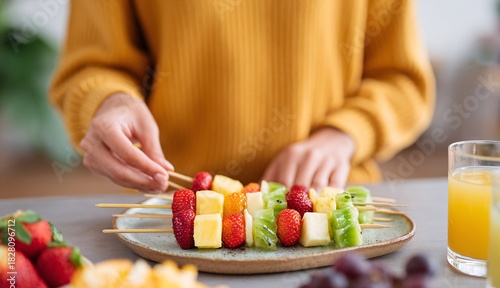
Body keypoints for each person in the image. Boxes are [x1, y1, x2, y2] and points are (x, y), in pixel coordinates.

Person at [50, 0, 434, 193]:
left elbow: (403, 79)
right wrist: (109, 101)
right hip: (173, 216)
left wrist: (343, 135)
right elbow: (89, 69)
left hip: (333, 207)